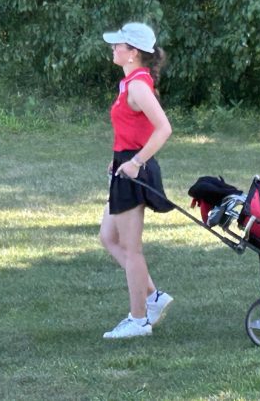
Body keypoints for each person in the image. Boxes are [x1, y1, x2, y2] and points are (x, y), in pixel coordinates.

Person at [99, 22, 174, 339]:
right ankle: (154, 297)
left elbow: (164, 129)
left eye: (119, 45)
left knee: (131, 250)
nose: (114, 49)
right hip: (123, 165)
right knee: (108, 237)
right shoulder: (128, 83)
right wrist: (118, 158)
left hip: (135, 170)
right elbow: (133, 128)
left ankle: (139, 319)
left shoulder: (139, 86)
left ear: (133, 53)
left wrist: (135, 161)